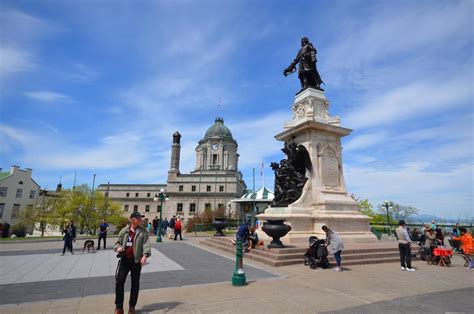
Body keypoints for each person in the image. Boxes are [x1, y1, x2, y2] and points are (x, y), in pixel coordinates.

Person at [114, 212, 151, 314]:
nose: (140, 219)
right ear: (132, 220)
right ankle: (119, 307)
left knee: (135, 285)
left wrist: (145, 255)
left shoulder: (143, 231)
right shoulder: (124, 231)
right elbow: (117, 242)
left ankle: (132, 307)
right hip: (124, 260)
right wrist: (118, 248)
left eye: (140, 218)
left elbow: (146, 244)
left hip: (136, 262)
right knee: (119, 282)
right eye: (138, 218)